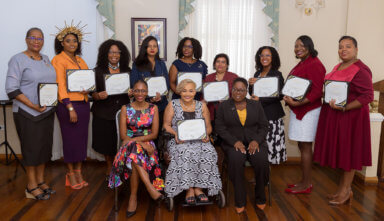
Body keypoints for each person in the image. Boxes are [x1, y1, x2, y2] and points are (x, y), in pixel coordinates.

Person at [313, 36, 373, 205]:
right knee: (342, 153)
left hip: (352, 118)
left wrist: (346, 107)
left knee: (349, 154)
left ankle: (345, 191)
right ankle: (344, 190)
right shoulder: (338, 66)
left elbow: (367, 96)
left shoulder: (361, 69)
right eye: (340, 47)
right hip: (337, 116)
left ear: (356, 49)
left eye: (348, 46)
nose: (343, 49)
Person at [5, 27, 56, 200]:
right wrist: (33, 105)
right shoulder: (17, 59)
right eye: (33, 38)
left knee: (43, 149)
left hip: (47, 112)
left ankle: (41, 181)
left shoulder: (46, 59)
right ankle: (31, 185)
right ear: (26, 39)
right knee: (31, 149)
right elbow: (11, 89)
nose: (36, 41)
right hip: (27, 112)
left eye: (40, 38)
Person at [108, 80, 164, 218]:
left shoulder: (153, 108)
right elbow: (123, 136)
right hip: (127, 146)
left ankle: (133, 197)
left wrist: (142, 144)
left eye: (143, 91)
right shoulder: (125, 108)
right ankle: (150, 188)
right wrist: (141, 144)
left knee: (134, 155)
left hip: (146, 145)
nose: (140, 93)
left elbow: (154, 134)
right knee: (134, 151)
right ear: (132, 91)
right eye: (137, 90)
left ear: (147, 92)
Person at [163, 79, 222, 204]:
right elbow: (166, 126)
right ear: (179, 92)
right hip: (178, 140)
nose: (187, 93)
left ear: (195, 92)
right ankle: (189, 189)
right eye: (184, 91)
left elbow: (208, 127)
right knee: (185, 152)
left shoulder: (202, 106)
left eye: (191, 90)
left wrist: (207, 134)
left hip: (199, 140)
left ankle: (199, 188)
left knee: (209, 152)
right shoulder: (172, 104)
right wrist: (176, 134)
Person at [216, 77, 270, 212]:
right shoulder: (223, 106)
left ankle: (260, 196)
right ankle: (240, 199)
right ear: (231, 90)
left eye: (241, 90)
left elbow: (264, 126)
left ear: (246, 91)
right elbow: (220, 128)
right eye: (235, 89)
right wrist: (234, 142)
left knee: (261, 160)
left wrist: (256, 141)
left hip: (255, 142)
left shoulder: (256, 105)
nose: (238, 92)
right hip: (233, 143)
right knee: (235, 159)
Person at [283, 35, 326, 194]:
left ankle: (307, 184)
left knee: (306, 146)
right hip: (299, 108)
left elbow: (316, 92)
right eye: (295, 46)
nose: (298, 48)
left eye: (301, 45)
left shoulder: (315, 64)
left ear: (309, 46)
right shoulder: (303, 63)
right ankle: (303, 181)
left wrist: (297, 103)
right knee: (302, 145)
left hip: (308, 111)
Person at [51, 23, 90, 190]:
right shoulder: (58, 60)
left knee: (81, 141)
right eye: (68, 41)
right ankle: (70, 174)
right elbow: (60, 85)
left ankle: (79, 172)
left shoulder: (81, 60)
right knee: (70, 141)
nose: (72, 44)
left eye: (74, 41)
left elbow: (88, 81)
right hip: (68, 106)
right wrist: (69, 107)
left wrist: (89, 88)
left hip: (84, 104)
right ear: (62, 43)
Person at [91, 39, 131, 178]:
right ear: (105, 53)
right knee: (106, 143)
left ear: (122, 54)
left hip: (123, 112)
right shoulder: (97, 71)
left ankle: (121, 167)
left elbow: (134, 90)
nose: (114, 55)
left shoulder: (127, 70)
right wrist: (98, 95)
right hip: (103, 113)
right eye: (111, 52)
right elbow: (91, 94)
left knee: (120, 142)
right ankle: (109, 167)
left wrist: (131, 93)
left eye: (117, 52)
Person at [249, 46, 286, 164]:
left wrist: (260, 99)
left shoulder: (277, 74)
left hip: (272, 116)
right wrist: (250, 84)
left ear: (273, 57)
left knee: (271, 147)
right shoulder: (258, 73)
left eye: (268, 55)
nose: (264, 58)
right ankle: (260, 174)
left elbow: (279, 95)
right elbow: (253, 93)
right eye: (262, 55)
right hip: (258, 115)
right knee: (260, 146)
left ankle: (266, 178)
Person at [130, 36, 169, 129]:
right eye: (149, 46)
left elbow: (166, 84)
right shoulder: (137, 64)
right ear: (145, 48)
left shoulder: (161, 64)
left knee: (159, 135)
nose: (152, 48)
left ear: (157, 48)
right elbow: (134, 84)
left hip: (161, 106)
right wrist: (149, 99)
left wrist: (160, 96)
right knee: (144, 132)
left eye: (155, 46)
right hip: (143, 106)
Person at [204, 53, 238, 123]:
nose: (220, 64)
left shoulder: (234, 77)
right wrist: (204, 100)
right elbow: (203, 96)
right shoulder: (208, 78)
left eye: (223, 62)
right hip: (211, 113)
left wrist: (227, 100)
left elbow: (239, 95)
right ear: (214, 64)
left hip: (229, 112)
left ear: (227, 65)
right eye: (218, 61)